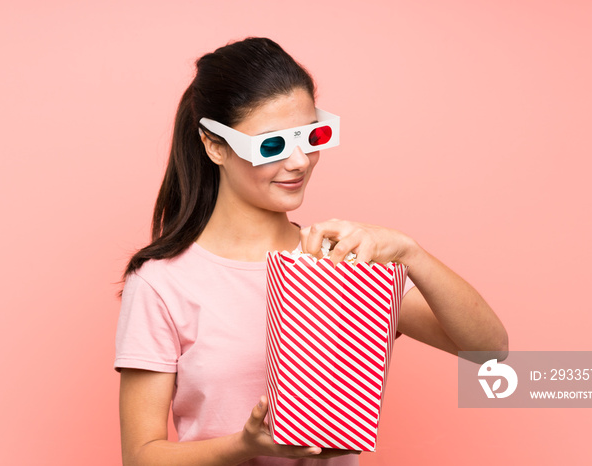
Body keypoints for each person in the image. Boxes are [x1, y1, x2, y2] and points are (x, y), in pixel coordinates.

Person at [114, 37, 508, 466]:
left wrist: (412, 253)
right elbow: (141, 457)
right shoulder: (162, 282)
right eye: (272, 145)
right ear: (215, 146)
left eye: (312, 135)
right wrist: (244, 445)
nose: (301, 161)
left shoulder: (344, 265)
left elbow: (489, 350)